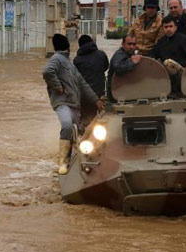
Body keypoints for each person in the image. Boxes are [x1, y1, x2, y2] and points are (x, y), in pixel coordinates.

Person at [42, 33, 105, 175]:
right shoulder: (57, 59)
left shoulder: (70, 63)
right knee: (67, 125)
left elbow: (83, 85)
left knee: (77, 133)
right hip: (63, 102)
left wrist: (96, 100)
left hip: (74, 104)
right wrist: (58, 87)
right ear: (68, 47)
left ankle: (73, 160)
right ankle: (63, 162)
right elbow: (47, 72)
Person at [150, 15, 186, 94]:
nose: (168, 29)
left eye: (170, 26)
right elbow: (152, 55)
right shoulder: (161, 42)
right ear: (162, 28)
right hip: (165, 76)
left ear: (175, 27)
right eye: (166, 27)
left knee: (168, 62)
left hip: (185, 75)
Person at [106, 34, 141, 102]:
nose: (131, 47)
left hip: (123, 90)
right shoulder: (120, 54)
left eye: (134, 44)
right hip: (116, 92)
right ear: (123, 44)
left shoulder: (130, 54)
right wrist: (133, 63)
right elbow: (118, 68)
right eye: (129, 44)